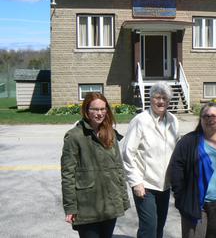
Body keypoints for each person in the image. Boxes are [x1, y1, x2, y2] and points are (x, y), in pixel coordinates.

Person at [168, 102, 216, 238]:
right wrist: (181, 196)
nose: (210, 119)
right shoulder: (188, 142)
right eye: (206, 116)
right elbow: (176, 169)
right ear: (200, 119)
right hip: (195, 203)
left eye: (214, 116)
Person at [61, 92, 130, 238]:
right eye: (95, 109)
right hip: (87, 206)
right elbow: (68, 174)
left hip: (110, 204)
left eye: (103, 109)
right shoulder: (74, 136)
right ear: (86, 110)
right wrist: (70, 207)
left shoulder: (110, 133)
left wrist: (123, 198)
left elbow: (118, 168)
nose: (99, 113)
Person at [122, 81, 180, 238]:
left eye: (164, 98)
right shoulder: (140, 121)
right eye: (157, 97)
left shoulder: (173, 121)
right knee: (149, 227)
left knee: (159, 226)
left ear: (169, 101)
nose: (160, 101)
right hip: (145, 185)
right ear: (150, 99)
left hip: (165, 185)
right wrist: (135, 182)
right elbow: (128, 153)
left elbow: (176, 151)